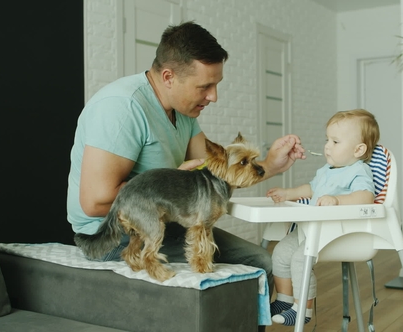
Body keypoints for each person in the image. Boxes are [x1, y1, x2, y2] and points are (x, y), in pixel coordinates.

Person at [66, 21, 305, 331]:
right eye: (205, 86)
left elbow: (215, 174)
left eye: (216, 84)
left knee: (259, 260)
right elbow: (95, 203)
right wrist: (170, 181)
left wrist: (271, 165)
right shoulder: (121, 109)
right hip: (117, 233)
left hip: (169, 221)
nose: (214, 96)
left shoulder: (184, 113)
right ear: (169, 77)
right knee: (250, 265)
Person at [265, 109, 380, 326]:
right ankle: (284, 299)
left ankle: (302, 309)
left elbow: (365, 197)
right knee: (279, 252)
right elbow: (311, 189)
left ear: (358, 149)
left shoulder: (359, 171)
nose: (327, 145)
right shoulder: (327, 170)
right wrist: (289, 193)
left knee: (300, 259)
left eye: (335, 141)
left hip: (337, 234)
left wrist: (337, 200)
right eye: (327, 139)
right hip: (311, 230)